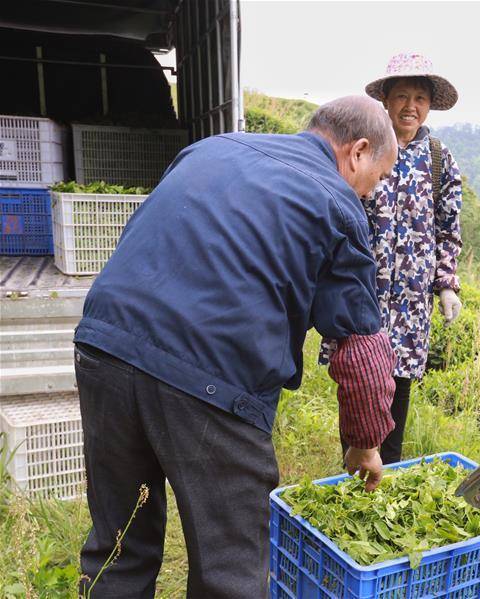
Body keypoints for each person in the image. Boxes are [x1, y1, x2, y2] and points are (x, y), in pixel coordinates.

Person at [73, 96, 399, 598]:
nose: (370, 193)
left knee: (118, 545)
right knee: (232, 570)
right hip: (211, 379)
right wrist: (365, 442)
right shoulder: (336, 203)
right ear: (358, 152)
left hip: (104, 347)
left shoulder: (210, 148)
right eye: (376, 178)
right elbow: (361, 350)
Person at [320, 53, 464, 465]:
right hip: (363, 290)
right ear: (385, 99)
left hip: (411, 301)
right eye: (402, 95)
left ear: (430, 105)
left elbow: (448, 227)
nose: (410, 106)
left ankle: (389, 477)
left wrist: (447, 284)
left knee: (398, 390)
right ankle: (351, 470)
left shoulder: (439, 159)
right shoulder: (364, 149)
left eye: (420, 97)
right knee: (358, 378)